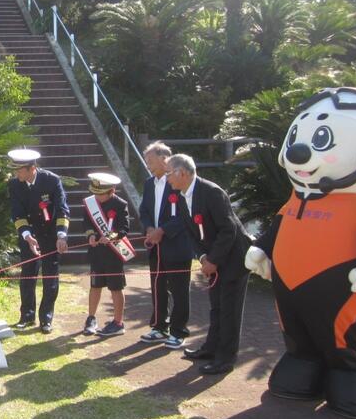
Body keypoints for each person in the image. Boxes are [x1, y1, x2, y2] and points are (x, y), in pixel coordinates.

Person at [166, 153, 252, 375]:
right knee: (216, 307)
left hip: (234, 258)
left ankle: (225, 359)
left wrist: (213, 259)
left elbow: (228, 229)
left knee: (229, 310)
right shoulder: (182, 196)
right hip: (213, 259)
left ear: (181, 172)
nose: (167, 178)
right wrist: (204, 257)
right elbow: (192, 234)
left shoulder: (212, 192)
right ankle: (211, 349)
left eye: (169, 173)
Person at [138, 142, 194, 350]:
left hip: (177, 244)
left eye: (150, 161)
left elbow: (185, 214)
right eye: (146, 161)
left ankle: (179, 331)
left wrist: (163, 230)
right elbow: (144, 210)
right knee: (157, 286)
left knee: (179, 289)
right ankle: (159, 326)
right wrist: (149, 228)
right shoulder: (148, 184)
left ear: (164, 159)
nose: (148, 165)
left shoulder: (178, 182)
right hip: (156, 246)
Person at [7, 149, 69, 334]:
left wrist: (61, 235)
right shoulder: (14, 184)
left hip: (50, 234)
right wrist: (27, 236)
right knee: (27, 274)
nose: (16, 173)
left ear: (32, 168)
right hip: (30, 235)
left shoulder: (52, 180)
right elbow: (17, 213)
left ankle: (46, 318)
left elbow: (62, 210)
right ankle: (27, 316)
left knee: (50, 276)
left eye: (20, 170)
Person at [81, 172, 130, 337]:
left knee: (116, 287)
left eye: (100, 193)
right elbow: (86, 223)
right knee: (95, 285)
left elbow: (124, 228)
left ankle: (118, 322)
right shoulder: (90, 203)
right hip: (96, 252)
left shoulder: (120, 204)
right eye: (95, 192)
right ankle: (91, 318)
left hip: (114, 253)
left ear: (112, 191)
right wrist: (90, 236)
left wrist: (109, 236)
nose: (97, 196)